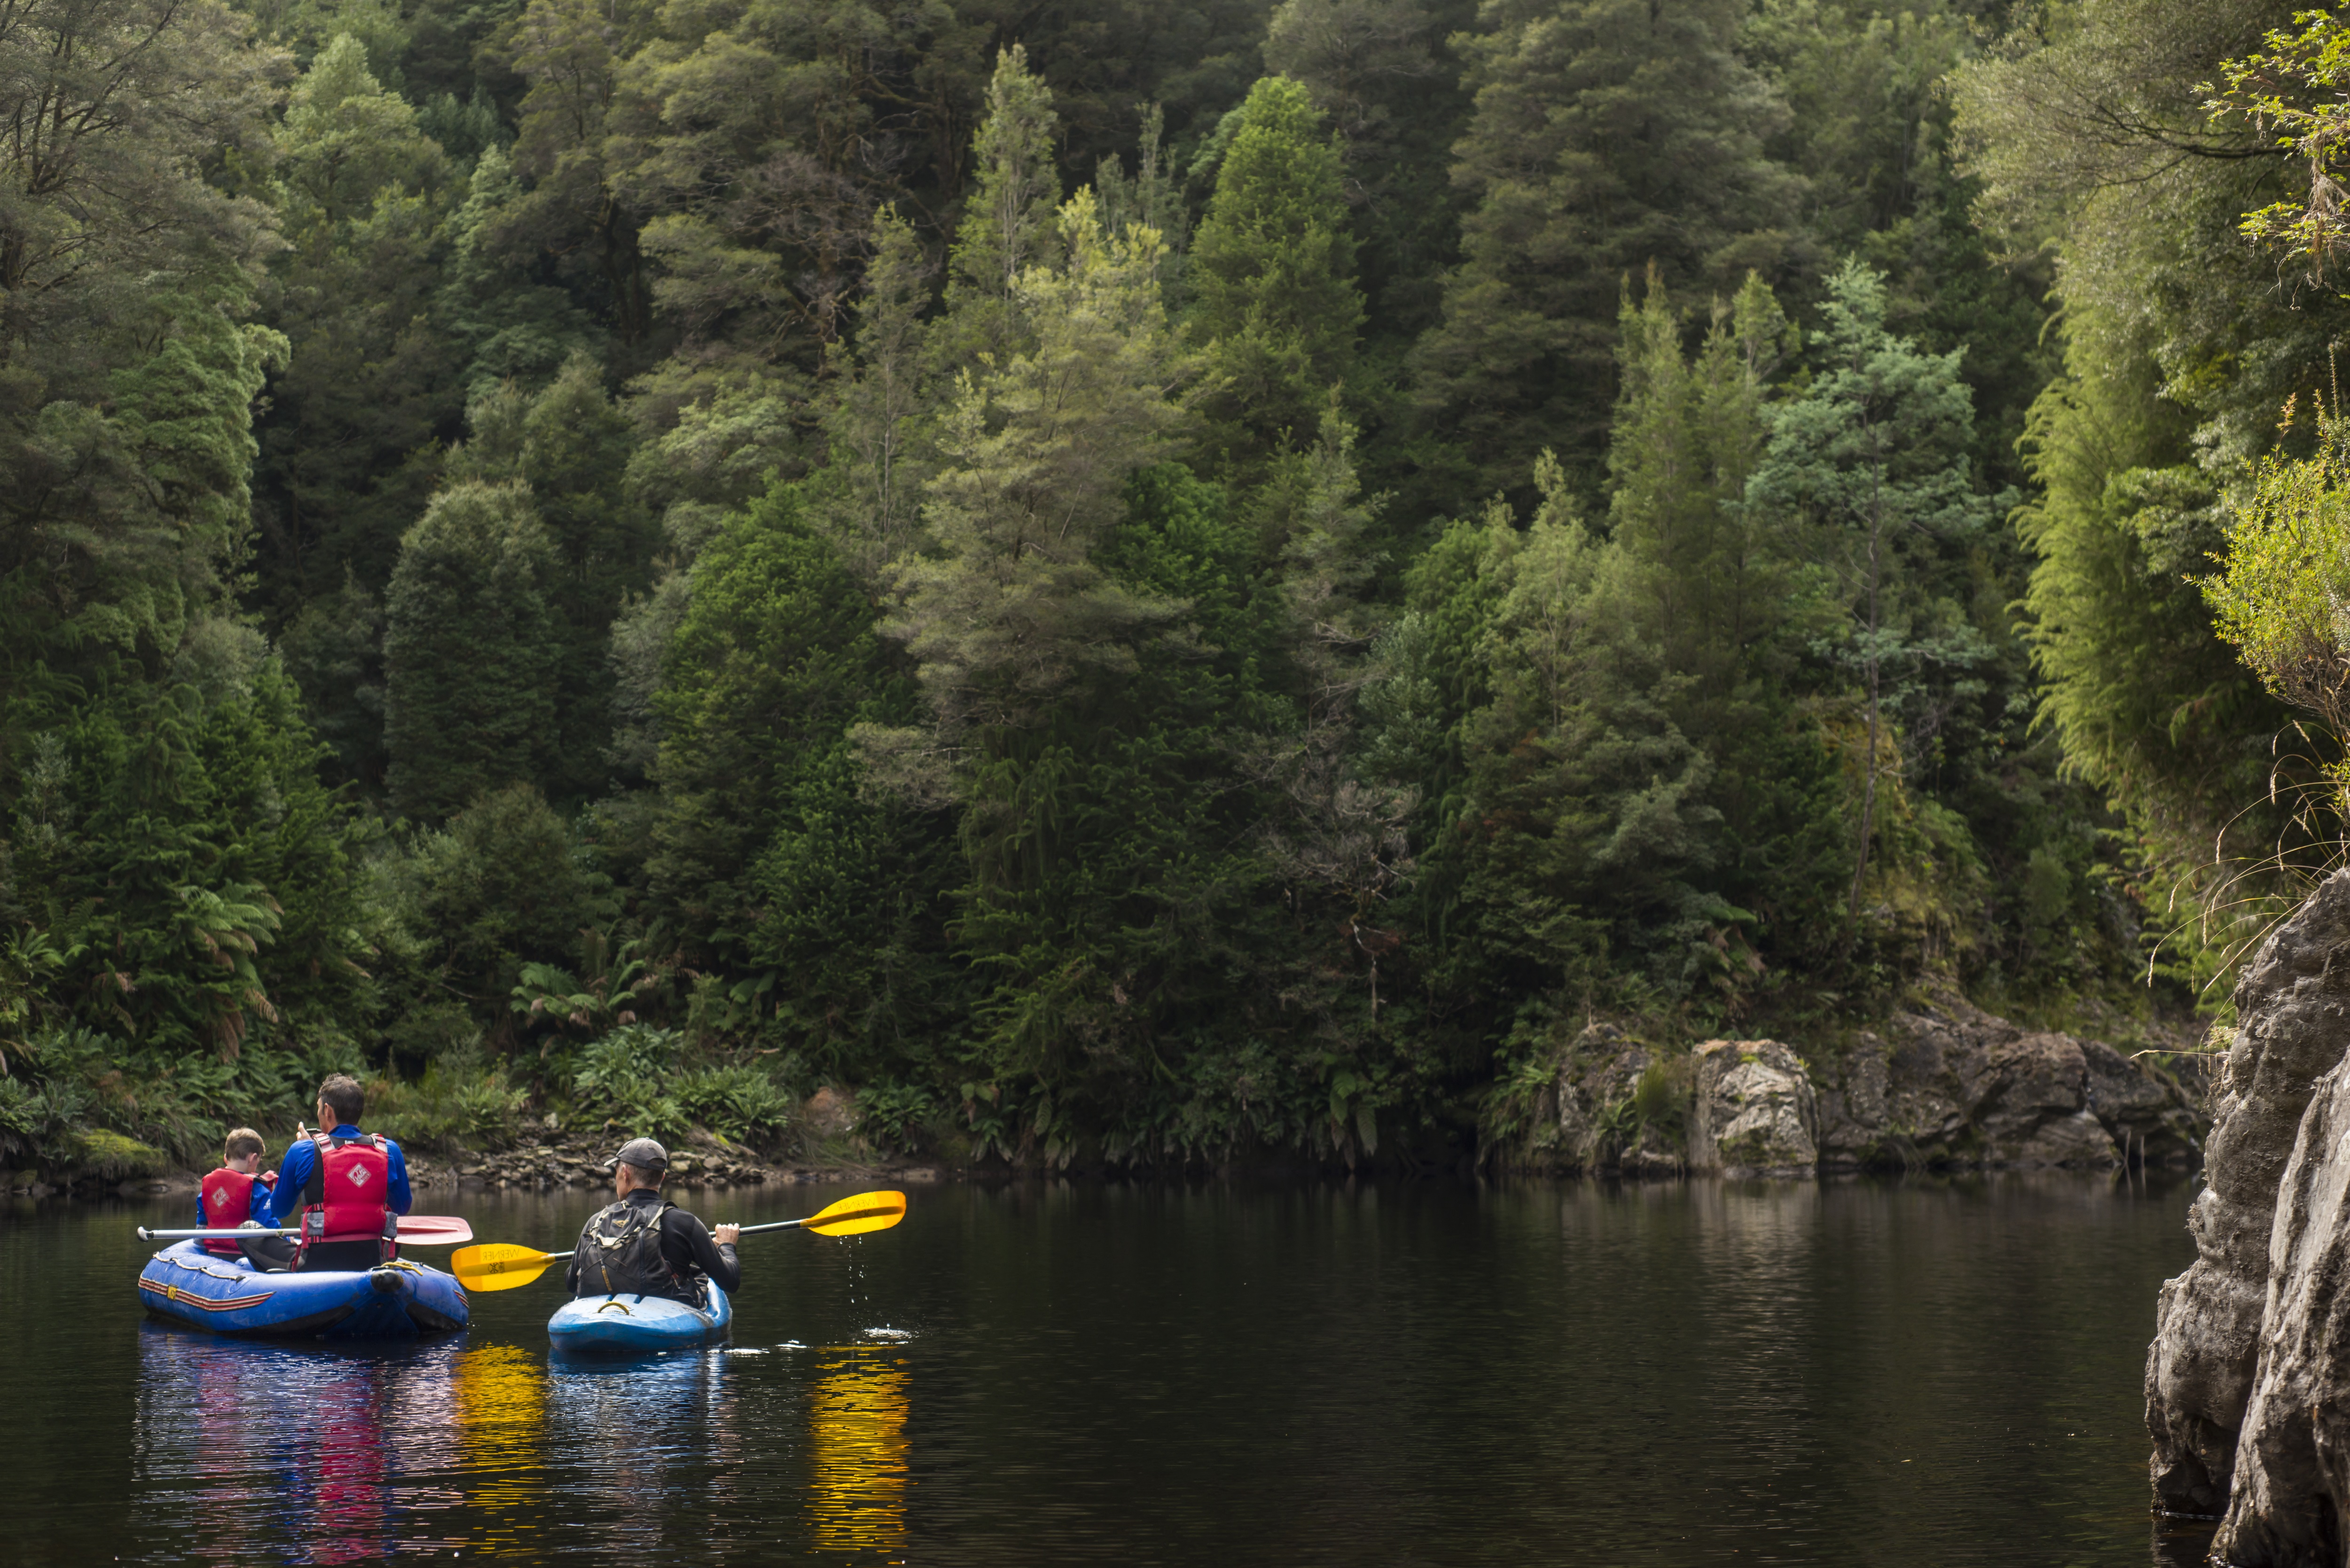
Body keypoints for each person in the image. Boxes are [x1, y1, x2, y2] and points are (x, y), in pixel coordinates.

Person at [246, 1075, 413, 1272]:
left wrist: (308, 1148)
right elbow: (402, 1208)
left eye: (319, 1107)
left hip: (315, 1265)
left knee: (247, 1230)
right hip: (373, 1260)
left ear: (327, 1110)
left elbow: (279, 1210)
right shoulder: (389, 1151)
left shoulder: (302, 1151)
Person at [566, 1138, 740, 1306]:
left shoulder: (596, 1222)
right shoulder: (684, 1223)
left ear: (625, 1174)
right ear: (663, 1177)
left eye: (616, 1173)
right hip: (663, 1321)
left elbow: (571, 1282)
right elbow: (731, 1282)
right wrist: (726, 1246)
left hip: (601, 1317)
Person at [196, 1129, 277, 1259]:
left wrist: (198, 1248)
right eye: (259, 1160)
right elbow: (269, 1225)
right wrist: (287, 1241)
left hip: (215, 1252)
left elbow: (202, 1220)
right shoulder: (257, 1189)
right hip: (246, 1256)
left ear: (225, 1158)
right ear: (253, 1158)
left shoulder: (207, 1184)